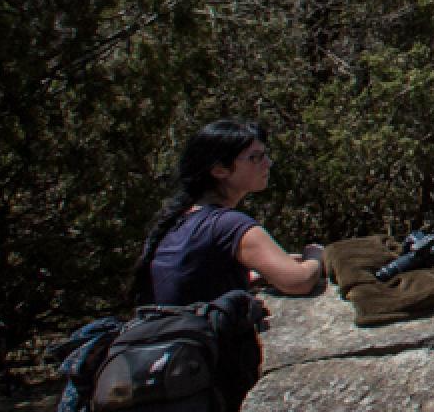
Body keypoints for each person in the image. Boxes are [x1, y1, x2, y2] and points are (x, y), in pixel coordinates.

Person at [133, 121, 327, 308]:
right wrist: (314, 255)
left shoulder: (181, 218)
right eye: (255, 157)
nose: (268, 163)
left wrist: (253, 273)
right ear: (219, 170)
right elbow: (298, 281)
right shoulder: (228, 224)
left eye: (265, 155)